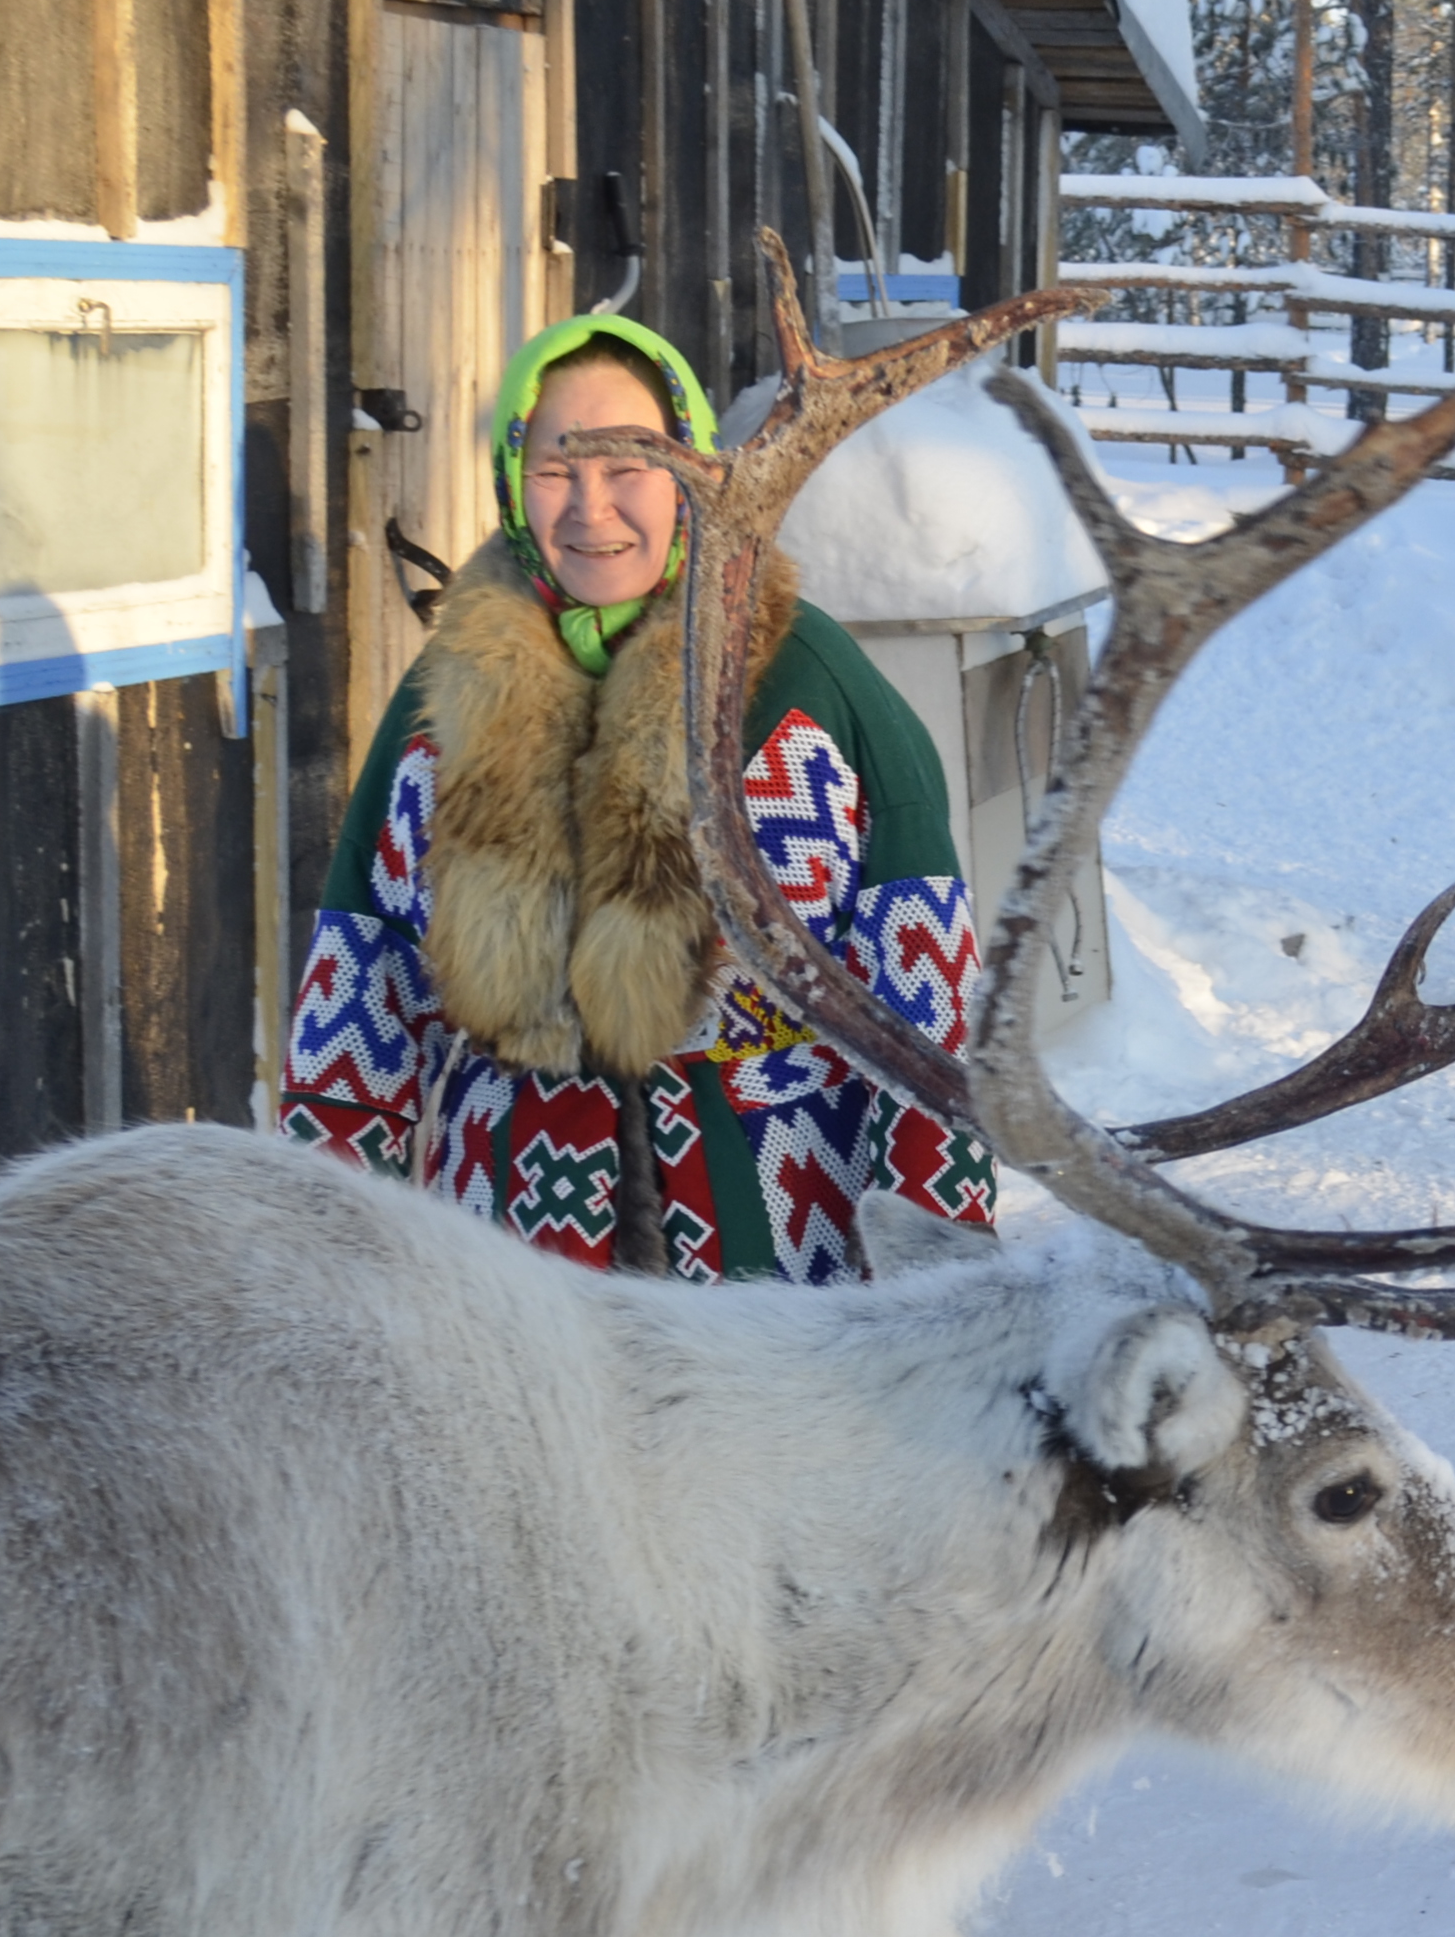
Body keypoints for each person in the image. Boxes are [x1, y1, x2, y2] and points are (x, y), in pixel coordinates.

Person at [280, 310, 997, 1279]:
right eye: (555, 470)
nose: (590, 509)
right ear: (508, 480)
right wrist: (314, 1265)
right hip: (508, 1267)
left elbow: (932, 1033)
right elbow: (361, 1001)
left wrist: (935, 1279)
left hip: (781, 1265)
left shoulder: (814, 690)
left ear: (692, 473)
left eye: (627, 467)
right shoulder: (437, 712)